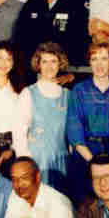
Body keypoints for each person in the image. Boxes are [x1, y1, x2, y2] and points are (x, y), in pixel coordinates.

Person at [67, 42, 109, 205]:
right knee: (85, 203)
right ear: (89, 62)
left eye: (104, 59)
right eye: (94, 59)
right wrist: (93, 162)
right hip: (85, 153)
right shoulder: (79, 90)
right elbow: (74, 128)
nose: (99, 64)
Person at [12, 42, 71, 193]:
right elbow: (19, 133)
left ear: (60, 64)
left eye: (53, 61)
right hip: (36, 161)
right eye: (44, 61)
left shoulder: (67, 95)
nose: (49, 66)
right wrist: (26, 164)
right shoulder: (28, 93)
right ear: (38, 65)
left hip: (61, 161)